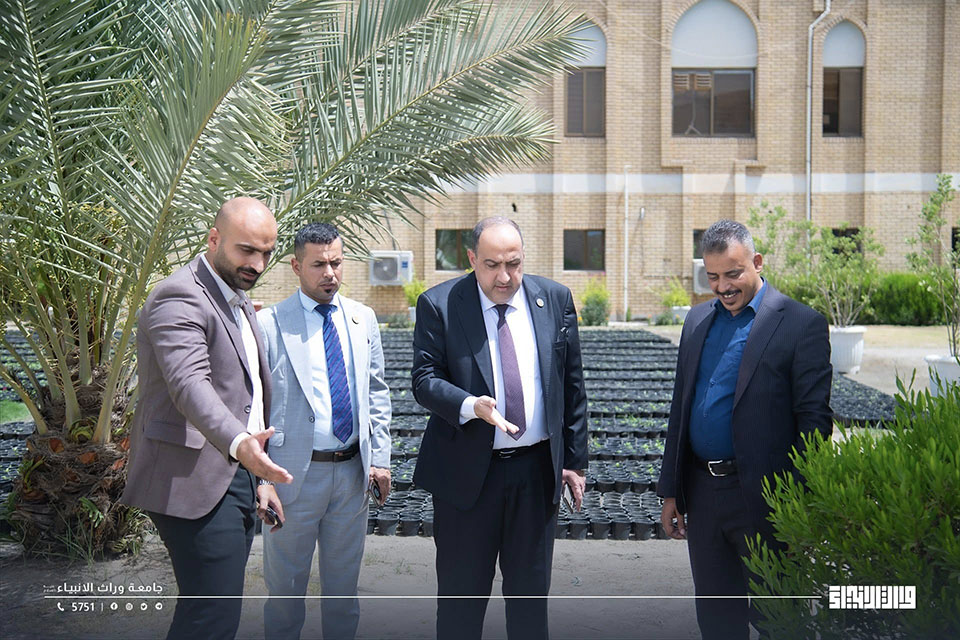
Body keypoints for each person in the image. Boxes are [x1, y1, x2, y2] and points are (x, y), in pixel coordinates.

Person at [121, 197, 293, 640]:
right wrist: (242, 446)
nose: (257, 264)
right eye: (246, 250)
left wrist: (260, 478)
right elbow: (189, 385)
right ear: (214, 239)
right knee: (211, 616)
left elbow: (246, 395)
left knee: (212, 612)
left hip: (236, 473)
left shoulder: (234, 296)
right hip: (191, 478)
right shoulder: (179, 295)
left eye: (266, 253)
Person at [411, 217, 588, 640]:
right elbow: (424, 380)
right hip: (468, 479)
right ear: (472, 259)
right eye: (492, 265)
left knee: (530, 604)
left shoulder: (554, 298)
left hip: (535, 475)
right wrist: (470, 405)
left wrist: (573, 462)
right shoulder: (440, 304)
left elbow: (572, 384)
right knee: (461, 605)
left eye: (514, 264)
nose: (504, 277)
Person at [657, 219, 833, 639]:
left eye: (733, 274)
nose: (723, 287)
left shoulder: (800, 323)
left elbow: (814, 422)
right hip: (703, 494)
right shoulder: (696, 321)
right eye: (713, 276)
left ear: (757, 262)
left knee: (779, 619)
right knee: (717, 620)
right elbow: (681, 409)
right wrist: (671, 491)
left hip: (768, 497)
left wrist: (799, 506)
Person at [256, 222, 392, 640]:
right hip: (291, 478)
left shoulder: (363, 319)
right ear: (296, 266)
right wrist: (262, 478)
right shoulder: (270, 324)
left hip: (351, 476)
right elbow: (254, 408)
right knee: (285, 594)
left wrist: (380, 460)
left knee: (343, 594)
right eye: (318, 265)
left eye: (336, 262)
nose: (330, 273)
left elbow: (377, 393)